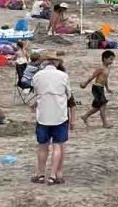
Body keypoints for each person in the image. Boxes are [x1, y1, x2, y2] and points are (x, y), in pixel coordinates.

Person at [30, 58, 72, 186]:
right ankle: (53, 176)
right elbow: (69, 95)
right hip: (59, 116)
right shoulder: (63, 76)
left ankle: (41, 174)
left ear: (44, 64)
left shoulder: (37, 76)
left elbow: (35, 92)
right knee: (57, 146)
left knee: (42, 147)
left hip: (43, 116)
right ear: (56, 64)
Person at [80, 50, 115, 128]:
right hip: (96, 88)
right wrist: (85, 83)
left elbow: (105, 79)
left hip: (101, 88)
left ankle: (85, 116)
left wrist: (107, 89)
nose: (112, 61)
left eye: (113, 59)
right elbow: (92, 76)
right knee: (103, 104)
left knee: (97, 107)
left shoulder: (108, 69)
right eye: (110, 59)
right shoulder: (100, 68)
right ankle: (105, 123)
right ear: (105, 59)